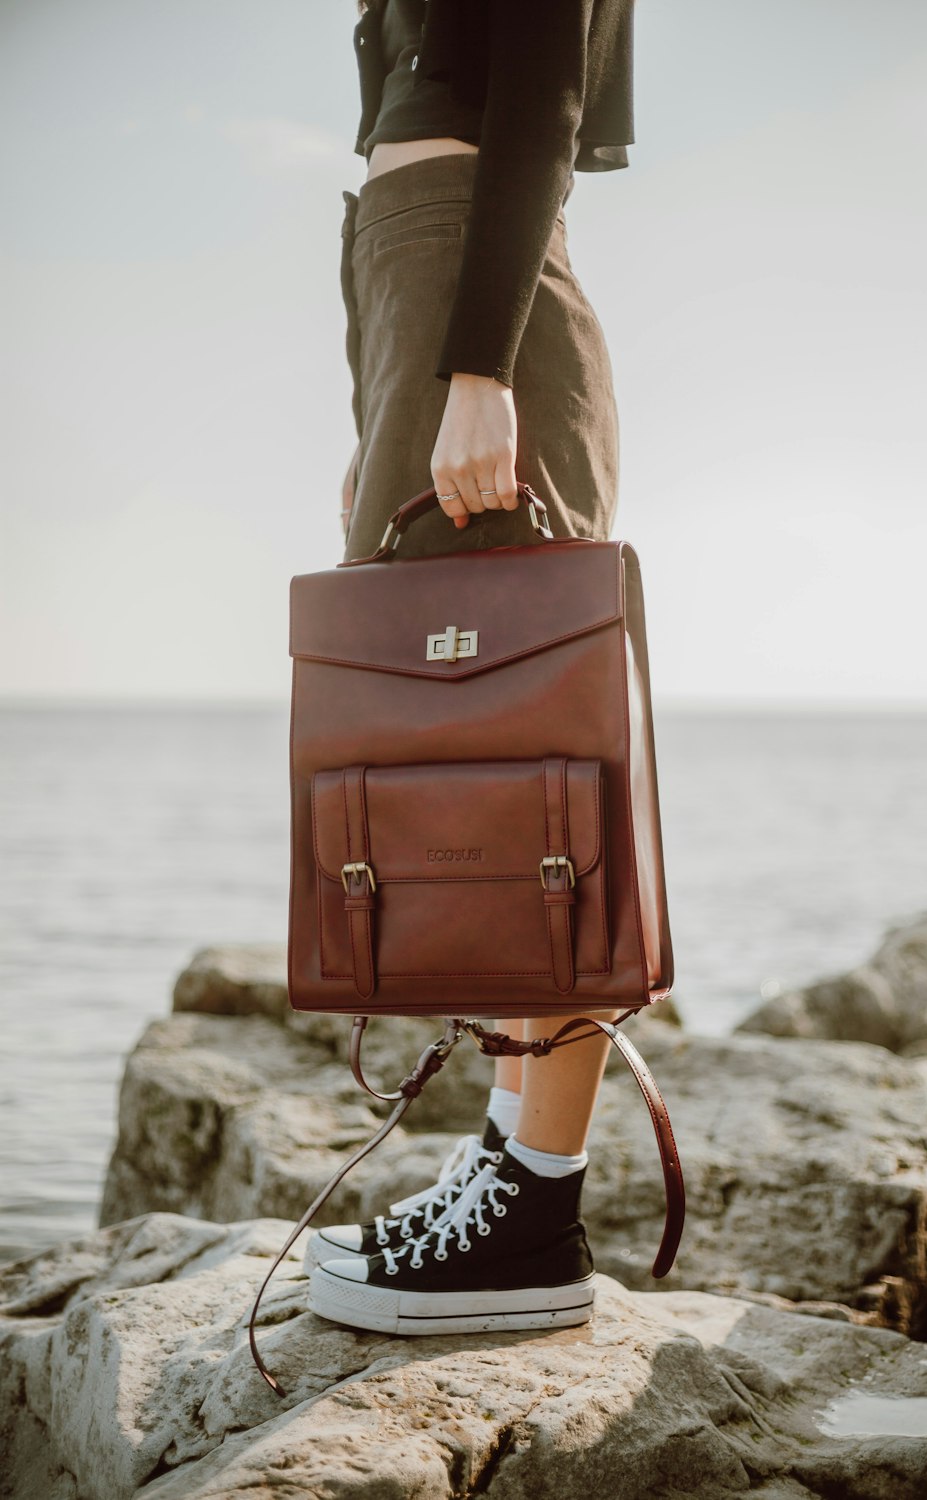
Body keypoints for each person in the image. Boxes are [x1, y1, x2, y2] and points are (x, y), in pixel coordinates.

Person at [306, 0, 637, 1337]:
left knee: (531, 769)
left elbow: (543, 96)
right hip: (417, 306)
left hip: (470, 312)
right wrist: (383, 394)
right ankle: (507, 1166)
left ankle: (536, 1210)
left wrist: (478, 371)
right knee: (465, 768)